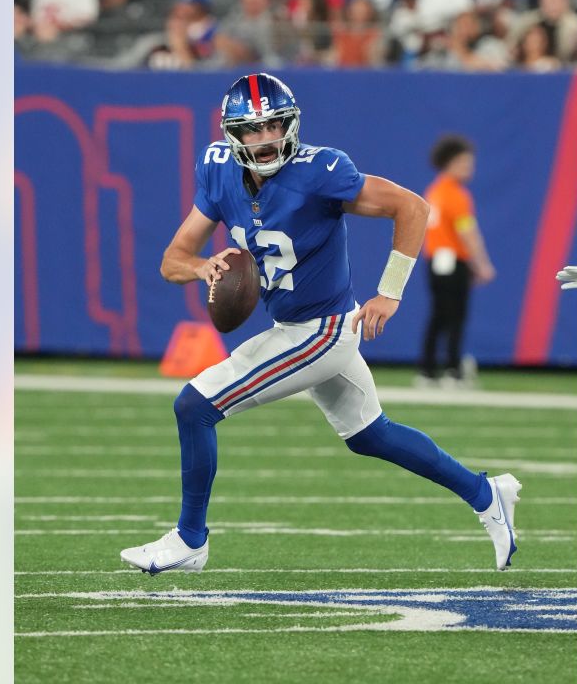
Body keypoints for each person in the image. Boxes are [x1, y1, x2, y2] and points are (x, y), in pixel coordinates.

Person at [120, 74, 521, 575]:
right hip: (296, 324)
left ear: (291, 126)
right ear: (232, 134)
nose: (264, 139)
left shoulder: (320, 170)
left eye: (274, 126)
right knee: (370, 435)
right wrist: (203, 268)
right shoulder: (218, 170)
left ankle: (190, 540)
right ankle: (487, 493)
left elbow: (413, 208)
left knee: (195, 406)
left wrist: (389, 292)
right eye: (252, 129)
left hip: (322, 330)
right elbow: (172, 259)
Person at [417, 135, 496, 387]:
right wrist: (481, 264)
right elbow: (467, 233)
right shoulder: (457, 195)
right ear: (450, 163)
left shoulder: (434, 191)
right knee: (456, 318)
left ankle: (427, 372)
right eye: (465, 163)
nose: (470, 168)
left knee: (438, 317)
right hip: (454, 263)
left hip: (434, 262)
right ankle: (453, 371)